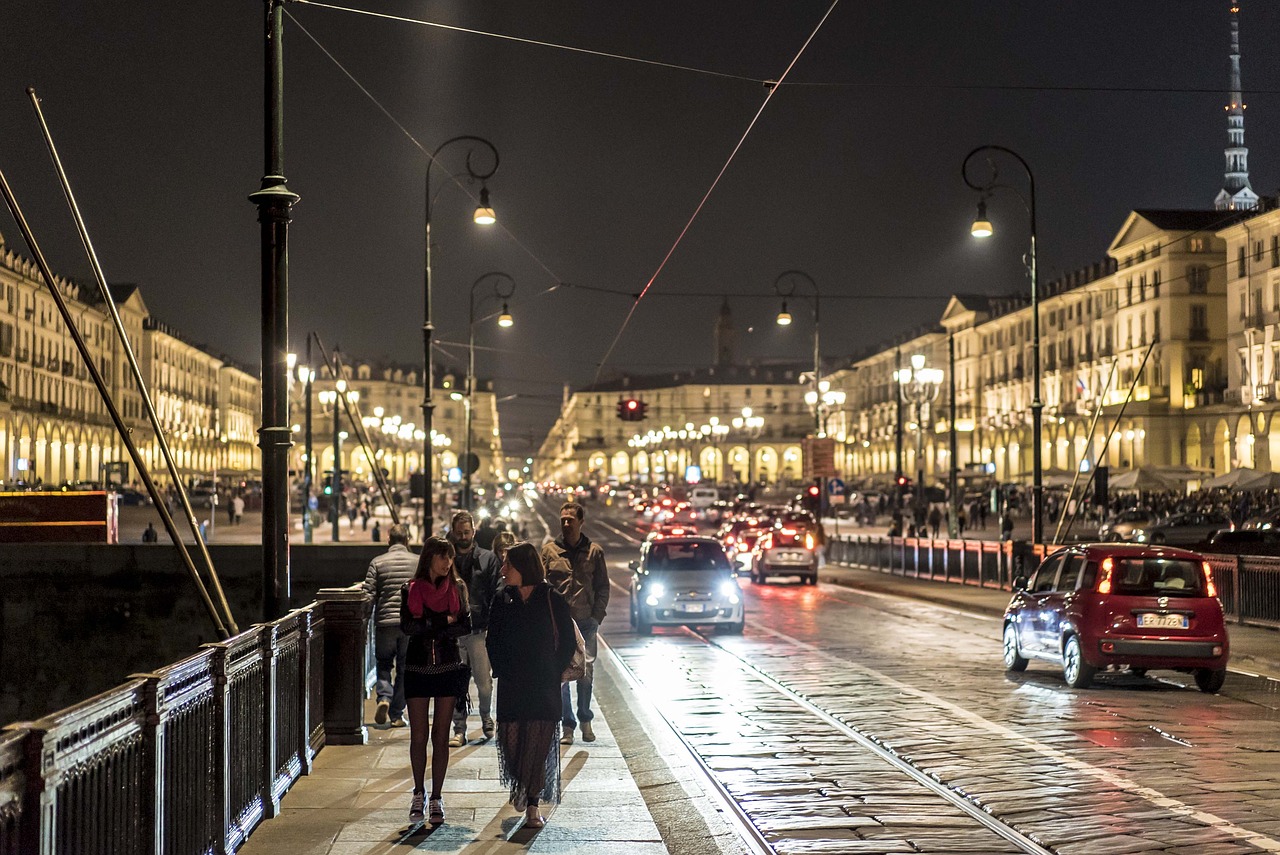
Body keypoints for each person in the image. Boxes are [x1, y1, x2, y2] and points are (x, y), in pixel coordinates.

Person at [486, 542, 576, 829]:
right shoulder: (502, 599)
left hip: (543, 685)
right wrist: (501, 669)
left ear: (523, 567)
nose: (502, 570)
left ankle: (533, 806)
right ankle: (521, 783)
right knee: (511, 746)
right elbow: (492, 640)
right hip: (512, 684)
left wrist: (553, 670)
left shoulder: (552, 598)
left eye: (507, 565)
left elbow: (568, 641)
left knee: (538, 748)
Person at [400, 536, 472, 825]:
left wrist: (431, 625)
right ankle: (418, 791)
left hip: (448, 666)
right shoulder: (410, 589)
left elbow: (465, 625)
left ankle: (437, 798)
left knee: (440, 737)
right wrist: (445, 622)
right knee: (418, 736)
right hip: (417, 667)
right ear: (429, 557)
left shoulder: (458, 588)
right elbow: (407, 626)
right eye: (442, 557)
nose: (447, 563)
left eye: (450, 558)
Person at [541, 501, 608, 745]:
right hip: (558, 624)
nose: (566, 523)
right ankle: (567, 725)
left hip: (586, 622)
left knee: (586, 674)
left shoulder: (594, 552)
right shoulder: (549, 551)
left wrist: (596, 616)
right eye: (563, 520)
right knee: (561, 675)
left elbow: (602, 587)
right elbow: (542, 586)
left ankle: (585, 718)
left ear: (581, 522)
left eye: (571, 519)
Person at [446, 511, 503, 746]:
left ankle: (486, 717)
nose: (463, 536)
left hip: (479, 630)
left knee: (484, 683)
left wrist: (489, 619)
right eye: (459, 533)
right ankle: (459, 727)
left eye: (466, 532)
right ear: (453, 532)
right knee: (457, 682)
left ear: (473, 532)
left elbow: (496, 590)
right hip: (455, 631)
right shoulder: (446, 558)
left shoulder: (488, 558)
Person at [362, 523, 418, 730]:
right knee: (406, 668)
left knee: (384, 663)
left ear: (389, 540)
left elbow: (368, 594)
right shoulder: (417, 562)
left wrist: (365, 619)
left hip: (385, 622)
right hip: (409, 625)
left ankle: (384, 696)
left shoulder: (377, 562)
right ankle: (396, 714)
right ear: (407, 540)